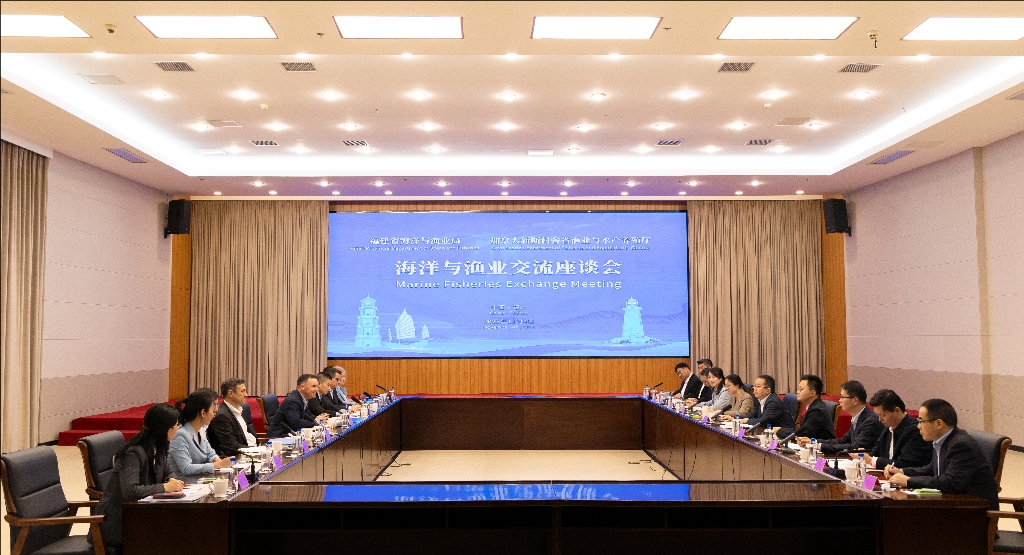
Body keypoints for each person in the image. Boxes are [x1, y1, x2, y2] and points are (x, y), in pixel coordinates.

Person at [92, 403, 185, 550]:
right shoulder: (133, 453)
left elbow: (168, 472)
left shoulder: (159, 447)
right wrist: (164, 487)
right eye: (176, 426)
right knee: (173, 537)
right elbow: (130, 491)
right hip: (117, 524)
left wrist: (171, 480)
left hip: (140, 516)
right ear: (166, 430)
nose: (177, 429)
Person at [886, 399, 999, 510]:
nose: (918, 426)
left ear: (938, 423)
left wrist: (908, 481)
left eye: (921, 421)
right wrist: (901, 471)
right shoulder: (942, 441)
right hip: (953, 504)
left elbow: (951, 482)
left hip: (973, 510)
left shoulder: (961, 445)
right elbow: (931, 470)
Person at [168, 388, 233, 477]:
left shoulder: (201, 430)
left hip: (201, 479)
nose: (216, 410)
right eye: (214, 406)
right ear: (203, 413)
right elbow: (186, 468)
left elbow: (210, 453)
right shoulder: (180, 435)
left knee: (236, 479)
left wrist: (215, 459)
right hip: (183, 482)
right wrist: (218, 465)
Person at [861, 389, 931, 470]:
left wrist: (871, 460)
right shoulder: (888, 429)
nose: (880, 419)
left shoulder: (915, 431)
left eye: (883, 415)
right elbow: (876, 452)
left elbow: (905, 464)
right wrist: (863, 454)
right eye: (878, 415)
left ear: (897, 410)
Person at [811, 380, 883, 454]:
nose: (839, 400)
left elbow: (855, 448)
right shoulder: (858, 417)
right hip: (853, 458)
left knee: (819, 460)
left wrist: (820, 446)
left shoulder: (871, 422)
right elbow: (843, 441)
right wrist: (815, 442)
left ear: (855, 400)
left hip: (865, 460)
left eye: (842, 397)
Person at [208, 377, 257, 458]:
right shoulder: (221, 416)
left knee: (277, 460)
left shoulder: (238, 410)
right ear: (231, 393)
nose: (246, 395)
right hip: (241, 457)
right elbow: (231, 448)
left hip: (253, 452)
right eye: (242, 391)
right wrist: (257, 450)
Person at [725, 374, 794, 429]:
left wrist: (747, 421)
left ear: (768, 390)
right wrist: (735, 418)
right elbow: (752, 416)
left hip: (784, 437)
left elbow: (762, 422)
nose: (754, 389)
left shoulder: (773, 403)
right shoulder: (760, 400)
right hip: (768, 432)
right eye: (754, 386)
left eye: (758, 386)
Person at [786, 374, 836, 441]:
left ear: (813, 393)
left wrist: (779, 431)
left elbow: (803, 434)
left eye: (801, 389)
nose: (797, 392)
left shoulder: (817, 411)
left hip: (821, 446)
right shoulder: (813, 405)